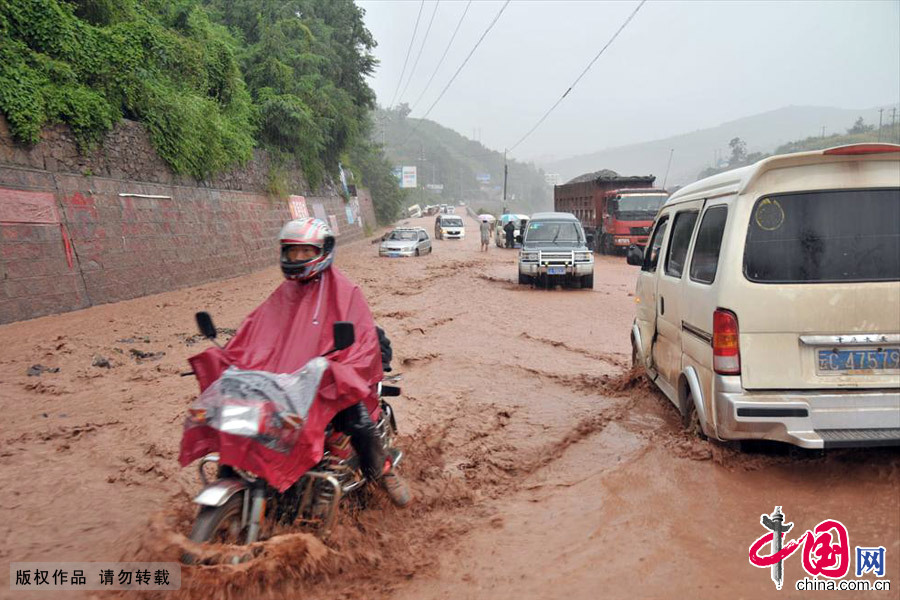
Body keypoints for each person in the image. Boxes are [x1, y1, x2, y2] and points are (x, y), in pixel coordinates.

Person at [186, 218, 411, 507]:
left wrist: (338, 365)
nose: (298, 259)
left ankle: (382, 472)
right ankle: (238, 474)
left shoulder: (345, 291)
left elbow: (362, 340)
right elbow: (254, 335)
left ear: (323, 251)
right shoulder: (281, 296)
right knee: (235, 416)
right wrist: (227, 357)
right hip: (287, 386)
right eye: (292, 253)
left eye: (305, 252)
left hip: (325, 384)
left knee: (357, 420)